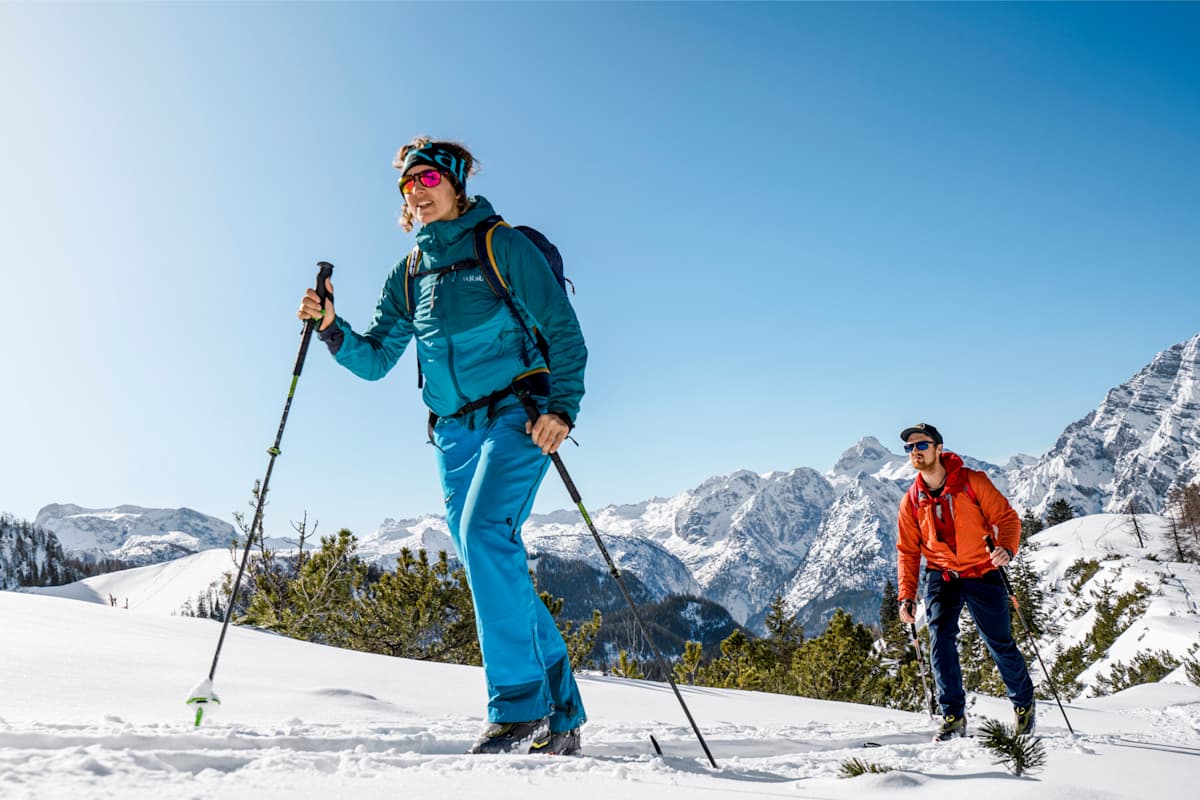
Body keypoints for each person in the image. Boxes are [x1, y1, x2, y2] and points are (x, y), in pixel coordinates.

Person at [298, 137, 588, 755]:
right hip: (451, 434)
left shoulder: (501, 246)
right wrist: (330, 328)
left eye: (427, 179)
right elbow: (376, 359)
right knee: (492, 556)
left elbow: (564, 330)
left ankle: (516, 708)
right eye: (407, 186)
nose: (417, 192)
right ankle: (562, 712)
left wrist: (562, 408)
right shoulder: (409, 274)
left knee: (485, 535)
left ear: (456, 183)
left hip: (519, 414)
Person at [895, 423, 1036, 741]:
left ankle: (1023, 704)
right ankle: (952, 716)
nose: (915, 452)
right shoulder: (912, 500)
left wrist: (1007, 549)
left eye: (921, 445)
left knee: (998, 643)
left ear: (938, 449)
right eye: (910, 448)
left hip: (983, 572)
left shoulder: (973, 482)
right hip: (941, 576)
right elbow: (907, 551)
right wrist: (906, 595)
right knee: (940, 641)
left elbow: (1008, 519)